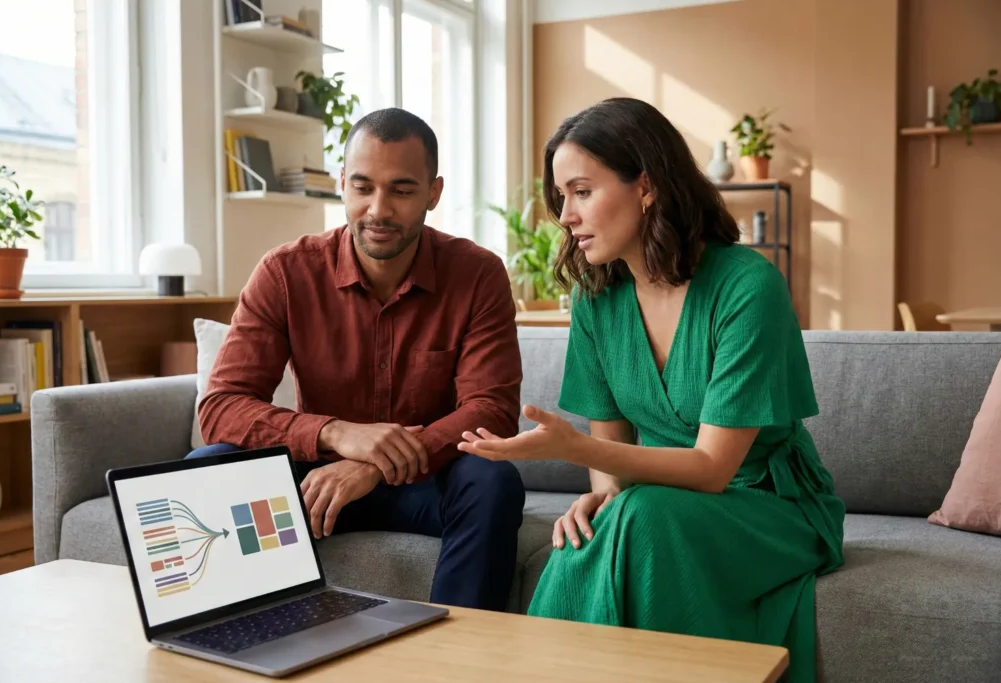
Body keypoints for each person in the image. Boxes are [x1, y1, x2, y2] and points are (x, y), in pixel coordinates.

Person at [457, 97, 845, 681]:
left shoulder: (748, 287)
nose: (565, 215)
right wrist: (602, 498)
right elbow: (612, 452)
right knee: (585, 536)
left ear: (646, 185)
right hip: (655, 502)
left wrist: (576, 451)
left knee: (643, 517)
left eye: (582, 192)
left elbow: (714, 469)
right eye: (561, 196)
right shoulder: (595, 298)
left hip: (770, 505)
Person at [194, 107, 526, 612]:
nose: (378, 209)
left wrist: (375, 461)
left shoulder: (477, 274)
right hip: (315, 482)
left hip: (426, 483)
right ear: (343, 182)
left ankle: (461, 662)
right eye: (364, 186)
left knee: (492, 480)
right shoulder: (286, 272)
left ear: (433, 194)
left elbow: (491, 411)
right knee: (207, 468)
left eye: (402, 190)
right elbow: (220, 407)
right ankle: (242, 645)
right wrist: (335, 433)